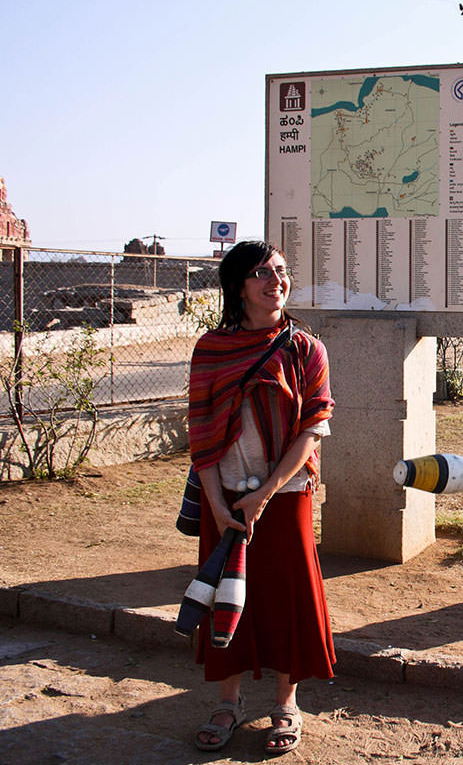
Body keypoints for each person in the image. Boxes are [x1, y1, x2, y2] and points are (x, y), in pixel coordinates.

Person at [187, 240, 335, 755]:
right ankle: (228, 702)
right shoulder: (210, 350)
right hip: (222, 493)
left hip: (286, 491)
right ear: (237, 287)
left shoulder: (306, 349)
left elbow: (313, 427)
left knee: (286, 595)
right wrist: (220, 504)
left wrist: (266, 494)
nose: (276, 281)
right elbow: (200, 432)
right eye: (261, 273)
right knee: (222, 594)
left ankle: (286, 703)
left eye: (281, 271)